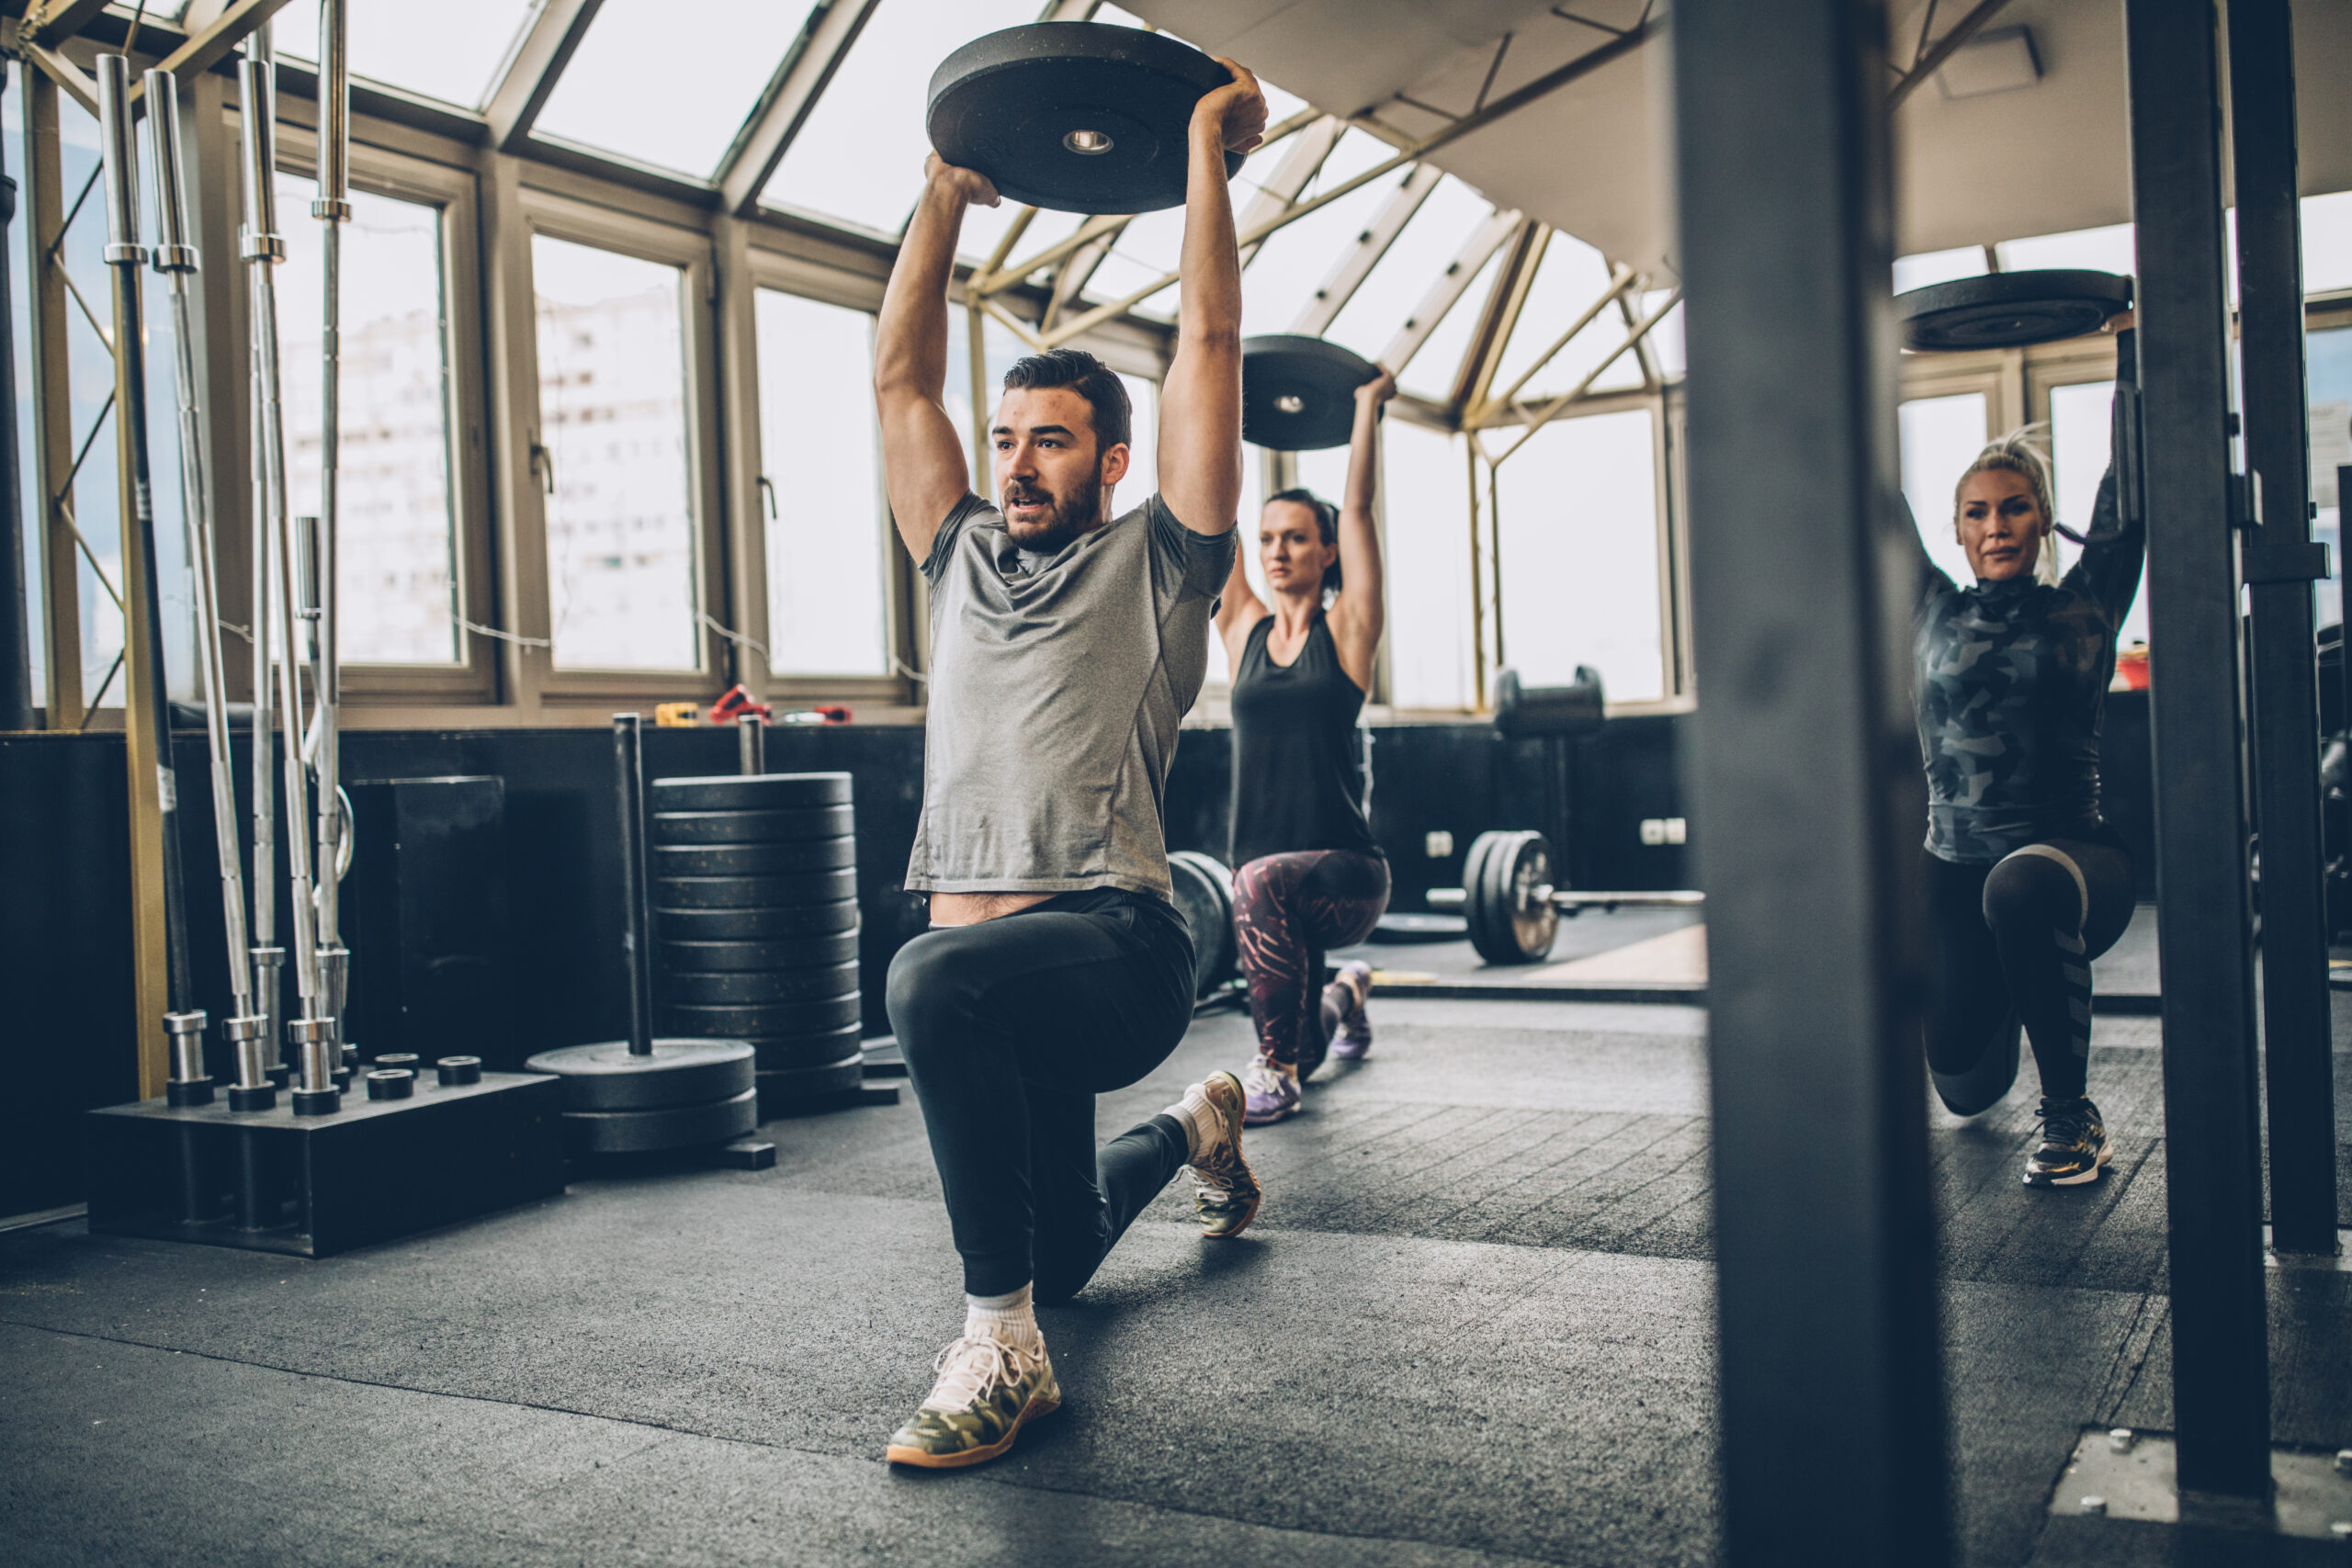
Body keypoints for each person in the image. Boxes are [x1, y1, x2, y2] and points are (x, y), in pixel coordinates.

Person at [869, 60, 1271, 1470]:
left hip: (1114, 951)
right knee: (1073, 1245)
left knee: (921, 977)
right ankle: (1199, 1123)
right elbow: (898, 374)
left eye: (1053, 442)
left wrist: (1208, 152)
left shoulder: (1158, 561)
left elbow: (1210, 344)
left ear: (1109, 462)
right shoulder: (958, 557)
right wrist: (941, 203)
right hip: (997, 986)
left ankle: (1002, 1348)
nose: (1020, 461)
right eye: (1010, 439)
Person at [1912, 320, 2143, 1189]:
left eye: (2013, 507)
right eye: (1977, 511)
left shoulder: (2084, 606)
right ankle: (2015, 969)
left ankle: (2073, 1117)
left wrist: (2135, 351)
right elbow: (1862, 489)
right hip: (1954, 864)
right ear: (1960, 528)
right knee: (1965, 1088)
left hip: (2072, 857)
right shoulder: (1926, 609)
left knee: (2021, 885)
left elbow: (2132, 493)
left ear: (2042, 519)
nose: (1995, 525)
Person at [1212, 370, 1395, 1123]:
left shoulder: (1347, 630)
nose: (1276, 551)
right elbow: (1209, 506)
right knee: (1309, 1035)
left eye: (1294, 537)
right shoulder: (1241, 627)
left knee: (1256, 886)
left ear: (1324, 552)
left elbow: (1356, 507)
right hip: (1265, 885)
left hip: (1345, 875)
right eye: (1266, 539)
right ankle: (1345, 994)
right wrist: (1217, 401)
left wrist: (1363, 410)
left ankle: (1274, 1071)